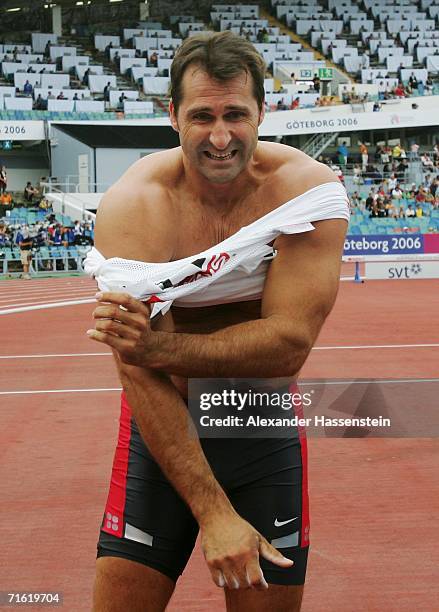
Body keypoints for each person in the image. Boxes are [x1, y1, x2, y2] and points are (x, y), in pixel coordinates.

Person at [84, 31, 349, 612]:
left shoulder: (305, 194)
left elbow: (287, 347)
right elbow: (137, 372)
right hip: (161, 430)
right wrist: (215, 515)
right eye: (202, 116)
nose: (221, 136)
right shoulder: (135, 205)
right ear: (172, 116)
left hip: (261, 427)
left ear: (263, 113)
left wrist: (155, 349)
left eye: (236, 114)